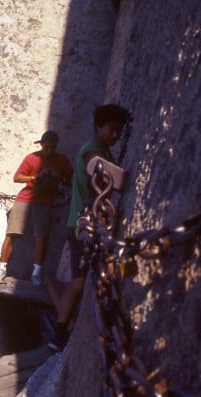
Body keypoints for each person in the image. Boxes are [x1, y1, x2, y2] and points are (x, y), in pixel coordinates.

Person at [45, 103, 131, 352]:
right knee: (79, 282)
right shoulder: (92, 151)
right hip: (82, 227)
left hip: (86, 223)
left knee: (86, 278)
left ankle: (62, 330)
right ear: (98, 127)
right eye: (112, 129)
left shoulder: (101, 147)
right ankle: (59, 333)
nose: (115, 135)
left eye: (119, 131)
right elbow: (98, 167)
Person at [0, 130, 73, 285]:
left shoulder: (62, 160)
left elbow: (70, 180)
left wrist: (59, 177)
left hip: (45, 202)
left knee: (41, 237)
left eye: (52, 148)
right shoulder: (32, 158)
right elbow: (16, 177)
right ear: (41, 145)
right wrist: (34, 178)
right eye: (46, 147)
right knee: (11, 234)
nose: (49, 151)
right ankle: (2, 268)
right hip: (25, 199)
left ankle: (36, 273)